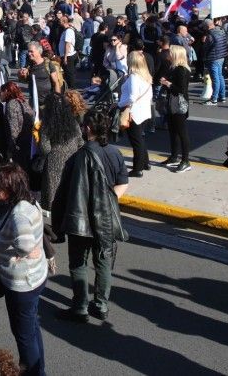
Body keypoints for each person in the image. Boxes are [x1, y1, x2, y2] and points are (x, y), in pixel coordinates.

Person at [51, 110, 129, 324]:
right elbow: (123, 183)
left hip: (81, 220)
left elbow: (63, 193)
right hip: (106, 219)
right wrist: (109, 200)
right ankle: (101, 305)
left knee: (79, 263)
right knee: (103, 261)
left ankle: (80, 307)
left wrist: (57, 225)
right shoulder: (115, 153)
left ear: (87, 129)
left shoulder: (78, 157)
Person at [0, 164, 47, 376]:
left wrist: (25, 251)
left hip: (22, 284)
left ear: (11, 187)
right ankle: (39, 370)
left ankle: (33, 372)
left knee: (23, 335)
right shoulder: (29, 201)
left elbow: (25, 243)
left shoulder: (19, 215)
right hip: (35, 277)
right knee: (31, 328)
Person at [37, 90, 86, 210]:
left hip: (54, 161)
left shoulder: (46, 125)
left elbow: (45, 148)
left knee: (54, 193)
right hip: (72, 159)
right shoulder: (73, 121)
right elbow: (81, 142)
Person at [119, 51, 153, 177]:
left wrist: (119, 104)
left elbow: (132, 97)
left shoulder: (134, 77)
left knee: (136, 141)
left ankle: (137, 168)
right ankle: (145, 162)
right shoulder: (146, 76)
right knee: (140, 139)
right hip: (144, 112)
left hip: (133, 112)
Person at [161, 45, 193, 173]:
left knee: (181, 132)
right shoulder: (173, 67)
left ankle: (186, 160)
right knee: (173, 131)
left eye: (170, 52)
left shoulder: (181, 69)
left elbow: (181, 89)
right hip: (172, 102)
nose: (168, 54)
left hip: (179, 104)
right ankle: (174, 156)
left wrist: (167, 83)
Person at [0, 82, 33, 171]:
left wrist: (10, 150)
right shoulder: (23, 100)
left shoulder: (11, 104)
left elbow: (14, 130)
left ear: (6, 91)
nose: (0, 95)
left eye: (1, 92)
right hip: (28, 142)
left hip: (19, 145)